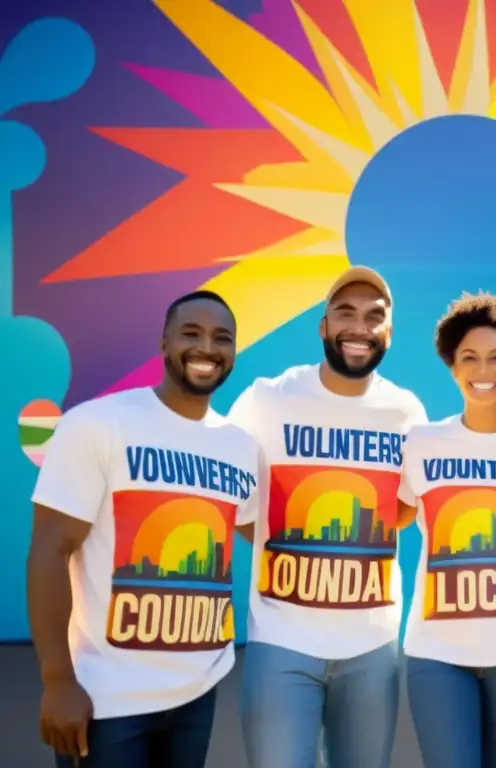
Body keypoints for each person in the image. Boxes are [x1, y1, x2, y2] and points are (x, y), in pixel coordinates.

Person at [27, 290, 263, 767]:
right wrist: (58, 681)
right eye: (191, 333)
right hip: (107, 700)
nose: (207, 348)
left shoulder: (241, 447)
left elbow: (262, 533)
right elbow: (50, 551)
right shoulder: (99, 424)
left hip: (198, 693)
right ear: (163, 343)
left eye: (222, 338)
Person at [225, 266, 426, 768]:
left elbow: (402, 510)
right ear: (323, 326)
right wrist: (283, 541)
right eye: (346, 313)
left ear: (389, 333)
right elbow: (224, 487)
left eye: (373, 317)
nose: (359, 327)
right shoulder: (269, 399)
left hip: (372, 647)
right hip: (281, 643)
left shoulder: (405, 411)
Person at [400, 293, 496, 768]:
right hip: (436, 650)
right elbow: (393, 516)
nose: (482, 369)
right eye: (469, 357)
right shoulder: (421, 443)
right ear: (452, 366)